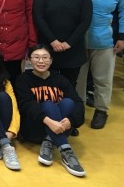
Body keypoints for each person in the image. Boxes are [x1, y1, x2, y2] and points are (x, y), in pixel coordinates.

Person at [73, 0, 124, 130]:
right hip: (78, 39)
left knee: (103, 79)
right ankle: (78, 109)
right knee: (79, 78)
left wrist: (122, 37)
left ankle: (101, 110)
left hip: (105, 39)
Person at [14, 44, 85, 177]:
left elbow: (78, 103)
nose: (41, 61)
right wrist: (48, 121)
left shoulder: (60, 79)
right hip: (34, 128)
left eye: (45, 57)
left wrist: (71, 121)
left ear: (51, 60)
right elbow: (25, 105)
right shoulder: (23, 79)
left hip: (59, 127)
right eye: (36, 57)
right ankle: (66, 150)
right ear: (29, 60)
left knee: (69, 102)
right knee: (48, 105)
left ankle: (49, 141)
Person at [33, 0, 92, 89]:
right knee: (46, 86)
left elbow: (85, 21)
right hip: (47, 49)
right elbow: (38, 18)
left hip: (73, 50)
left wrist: (68, 43)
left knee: (69, 87)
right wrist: (53, 41)